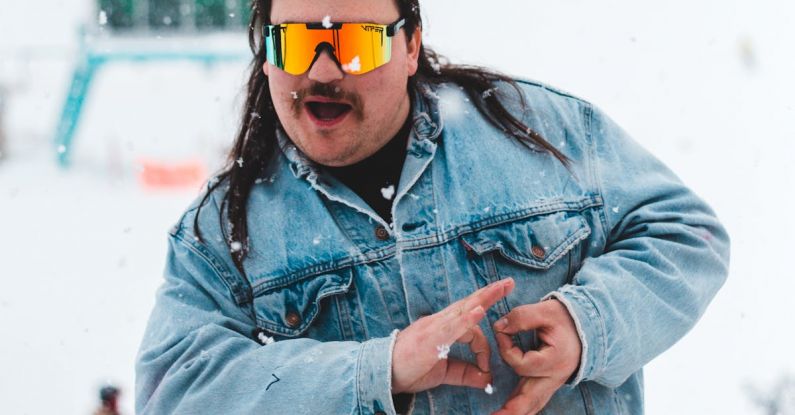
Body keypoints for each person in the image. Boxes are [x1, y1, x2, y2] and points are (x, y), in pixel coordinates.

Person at [135, 0, 730, 414]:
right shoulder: (220, 234)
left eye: (358, 44)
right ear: (264, 54)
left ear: (411, 45)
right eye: (293, 42)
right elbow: (176, 395)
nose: (322, 71)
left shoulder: (535, 133)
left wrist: (587, 325)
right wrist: (380, 371)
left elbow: (685, 234)